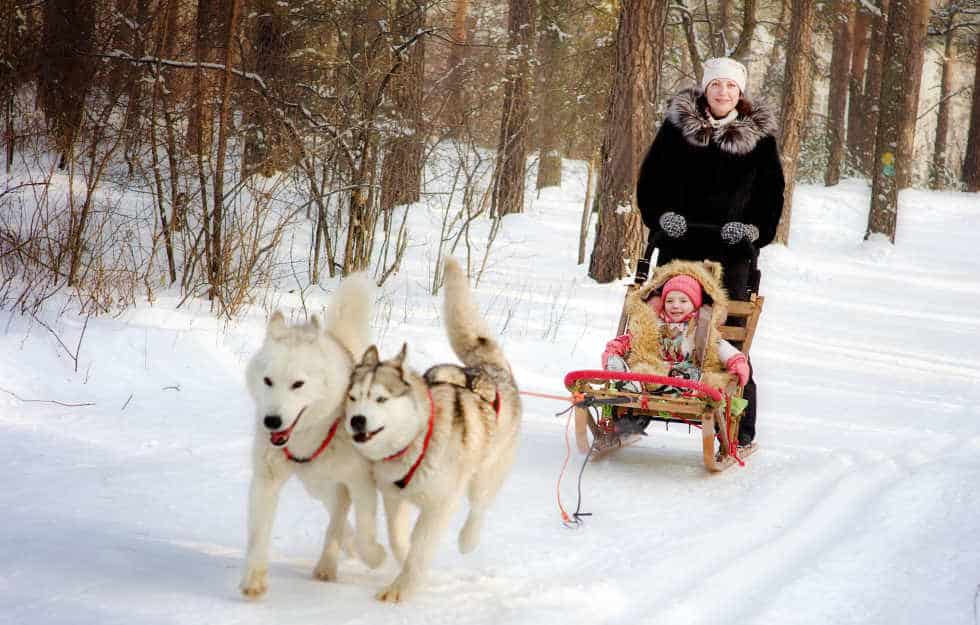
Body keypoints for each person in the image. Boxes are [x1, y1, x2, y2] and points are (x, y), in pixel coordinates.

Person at [635, 57, 785, 447]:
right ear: (705, 89)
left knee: (727, 333)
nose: (723, 93)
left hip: (732, 249)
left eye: (731, 87)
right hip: (679, 242)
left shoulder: (759, 138)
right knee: (657, 322)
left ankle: (738, 426)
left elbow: (772, 195)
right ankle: (633, 408)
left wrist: (754, 229)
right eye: (716, 85)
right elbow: (650, 179)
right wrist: (661, 217)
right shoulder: (676, 129)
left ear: (740, 93)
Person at [602, 261, 749, 395]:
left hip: (688, 373)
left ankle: (678, 385)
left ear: (695, 304)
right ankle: (629, 381)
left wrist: (737, 361)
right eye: (669, 300)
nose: (676, 305)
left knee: (702, 379)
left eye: (683, 301)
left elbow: (720, 346)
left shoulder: (701, 328)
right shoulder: (653, 323)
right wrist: (613, 351)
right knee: (643, 371)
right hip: (657, 371)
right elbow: (633, 339)